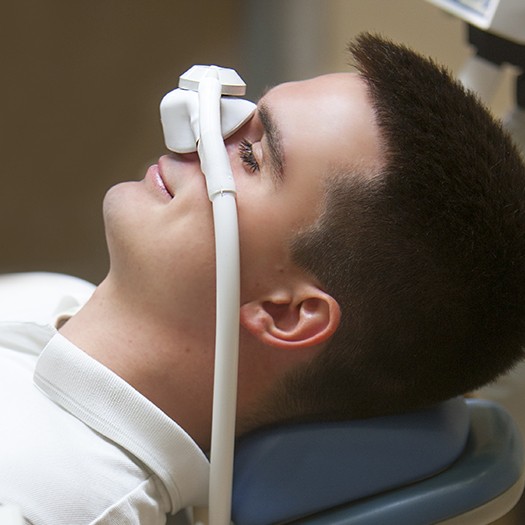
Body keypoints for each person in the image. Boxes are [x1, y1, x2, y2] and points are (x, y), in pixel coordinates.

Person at [1, 32, 525, 524]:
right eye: (236, 114)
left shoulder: (50, 502)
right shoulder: (49, 297)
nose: (200, 129)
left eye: (250, 155)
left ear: (285, 312)